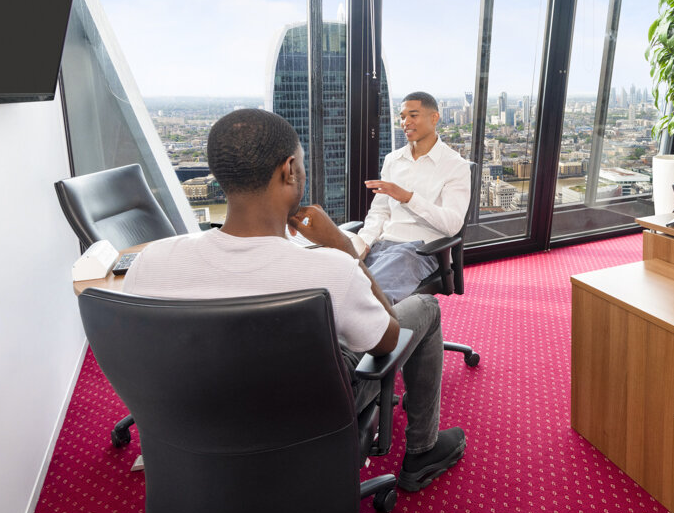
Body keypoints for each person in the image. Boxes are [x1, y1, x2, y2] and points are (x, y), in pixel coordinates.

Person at [123, 108, 465, 492]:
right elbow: (388, 341)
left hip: (199, 420)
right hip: (309, 415)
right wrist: (344, 249)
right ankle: (422, 450)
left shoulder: (150, 263)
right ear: (289, 170)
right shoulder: (331, 270)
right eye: (301, 163)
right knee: (425, 307)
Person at [349, 92, 472, 303]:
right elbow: (379, 211)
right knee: (340, 280)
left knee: (367, 298)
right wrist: (365, 242)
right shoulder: (393, 160)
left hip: (420, 251)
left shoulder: (455, 165)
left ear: (434, 117)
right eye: (402, 117)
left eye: (413, 115)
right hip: (381, 246)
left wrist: (408, 198)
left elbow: (453, 225)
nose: (405, 122)